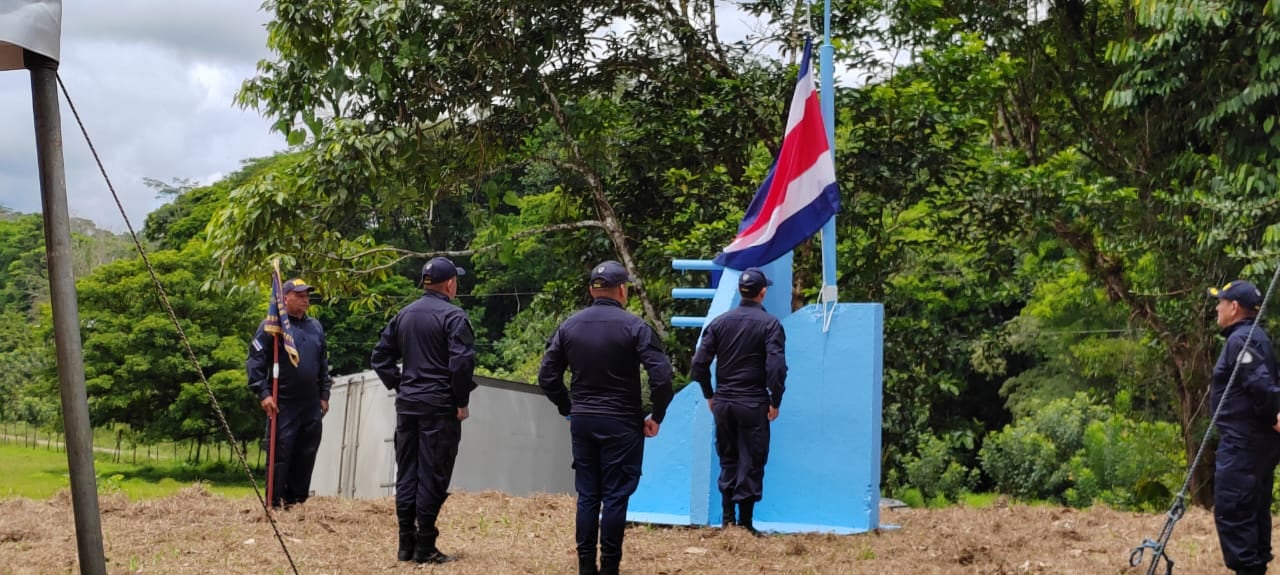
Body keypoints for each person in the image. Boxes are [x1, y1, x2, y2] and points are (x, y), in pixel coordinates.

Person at [537, 260, 675, 575]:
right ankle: (610, 565)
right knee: (615, 496)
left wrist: (568, 406)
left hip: (583, 419)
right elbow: (662, 377)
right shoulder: (635, 327)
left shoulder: (569, 326)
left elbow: (547, 376)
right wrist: (658, 414)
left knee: (588, 494)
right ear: (623, 291)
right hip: (622, 422)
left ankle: (586, 565)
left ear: (591, 290)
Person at [371, 256, 477, 564]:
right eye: (455, 280)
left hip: (408, 405)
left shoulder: (403, 316)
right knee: (433, 474)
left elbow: (380, 358)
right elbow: (461, 363)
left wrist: (401, 385)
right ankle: (425, 545)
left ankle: (405, 544)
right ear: (449, 284)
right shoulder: (454, 317)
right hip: (439, 407)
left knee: (408, 473)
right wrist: (460, 401)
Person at [689, 267, 787, 534]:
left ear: (738, 291)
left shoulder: (719, 323)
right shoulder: (770, 325)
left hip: (724, 402)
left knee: (728, 456)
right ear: (762, 292)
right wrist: (775, 399)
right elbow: (776, 367)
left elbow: (698, 364)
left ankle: (727, 519)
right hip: (753, 401)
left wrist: (710, 394)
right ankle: (744, 524)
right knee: (752, 458)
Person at [1206, 279, 1280, 575]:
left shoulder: (1241, 341)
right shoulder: (1258, 337)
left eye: (1220, 303)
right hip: (1255, 448)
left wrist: (1275, 415)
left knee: (1234, 512)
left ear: (1234, 307)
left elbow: (1261, 386)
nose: (1216, 308)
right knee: (1253, 512)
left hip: (1243, 447)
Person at [246, 278, 332, 510]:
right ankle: (274, 503)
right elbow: (255, 362)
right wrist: (263, 393)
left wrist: (325, 394)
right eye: (300, 295)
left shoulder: (315, 327)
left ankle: (297, 502)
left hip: (310, 403)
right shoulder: (272, 326)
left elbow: (323, 362)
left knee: (306, 453)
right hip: (283, 402)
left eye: (307, 295)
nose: (306, 299)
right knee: (281, 453)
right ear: (286, 298)